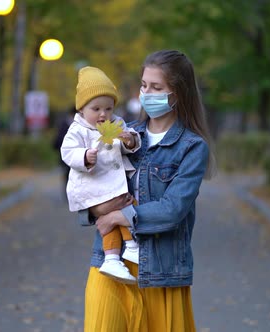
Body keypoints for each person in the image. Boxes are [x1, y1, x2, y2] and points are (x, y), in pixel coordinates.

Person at [78, 50, 217, 331]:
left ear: (178, 93)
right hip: (110, 263)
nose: (146, 93)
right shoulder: (124, 134)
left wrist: (118, 216)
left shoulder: (192, 147)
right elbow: (86, 184)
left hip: (161, 270)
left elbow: (172, 210)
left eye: (156, 87)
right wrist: (96, 209)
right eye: (144, 85)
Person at [61, 66, 142, 284]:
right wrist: (85, 156)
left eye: (108, 107)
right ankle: (130, 247)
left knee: (117, 214)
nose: (103, 114)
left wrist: (130, 141)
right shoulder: (78, 130)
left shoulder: (116, 123)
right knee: (125, 206)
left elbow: (126, 146)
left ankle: (113, 258)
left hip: (113, 184)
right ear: (82, 110)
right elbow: (67, 152)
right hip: (93, 185)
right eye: (96, 108)